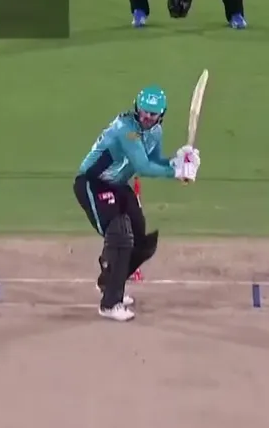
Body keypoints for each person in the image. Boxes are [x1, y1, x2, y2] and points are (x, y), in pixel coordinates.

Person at [74, 85, 199, 322]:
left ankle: (109, 282)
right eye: (144, 111)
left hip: (118, 184)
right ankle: (110, 304)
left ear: (161, 114)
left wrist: (177, 162)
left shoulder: (155, 132)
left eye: (153, 113)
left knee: (142, 241)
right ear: (136, 108)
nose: (147, 117)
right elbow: (142, 167)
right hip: (93, 183)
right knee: (120, 235)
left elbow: (153, 161)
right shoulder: (126, 130)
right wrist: (175, 171)